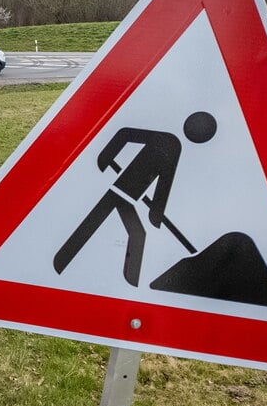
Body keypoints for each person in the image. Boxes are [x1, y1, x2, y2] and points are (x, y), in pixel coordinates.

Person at [53, 112, 216, 287]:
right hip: (119, 190)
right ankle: (61, 262)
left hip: (128, 198)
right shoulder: (170, 143)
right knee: (102, 224)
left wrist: (156, 212)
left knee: (129, 231)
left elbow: (164, 183)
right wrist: (106, 157)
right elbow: (125, 134)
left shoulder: (173, 145)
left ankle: (129, 282)